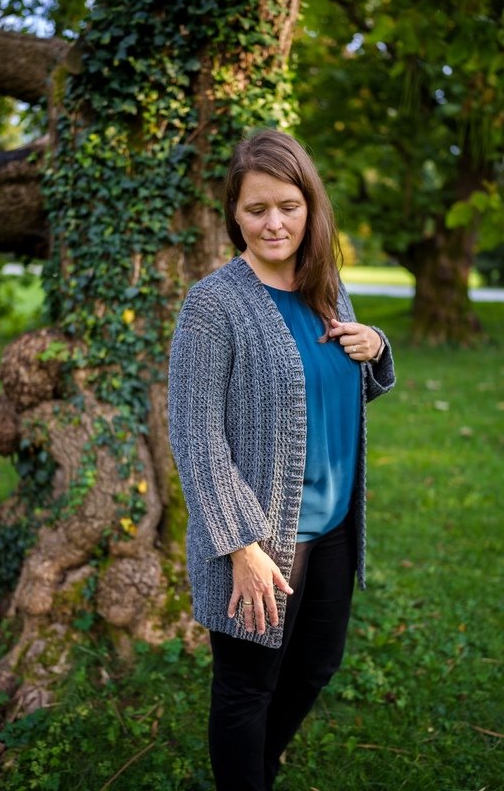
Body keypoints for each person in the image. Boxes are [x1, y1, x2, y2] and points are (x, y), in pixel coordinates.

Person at [168, 129, 395, 791]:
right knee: (246, 687)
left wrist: (376, 346)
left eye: (288, 206)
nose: (274, 223)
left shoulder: (327, 288)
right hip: (262, 539)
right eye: (256, 208)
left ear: (310, 208)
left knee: (316, 665)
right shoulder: (214, 305)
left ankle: (258, 771)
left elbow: (333, 389)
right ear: (234, 215)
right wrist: (241, 545)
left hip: (333, 528)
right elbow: (195, 436)